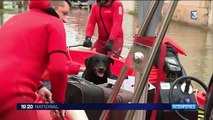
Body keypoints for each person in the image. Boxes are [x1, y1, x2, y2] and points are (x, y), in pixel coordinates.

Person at [0, 0, 71, 120]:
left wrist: (39, 86)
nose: (65, 19)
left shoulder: (13, 20)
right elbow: (59, 69)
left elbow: (10, 58)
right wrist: (58, 102)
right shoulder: (54, 23)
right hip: (14, 95)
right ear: (52, 7)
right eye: (64, 13)